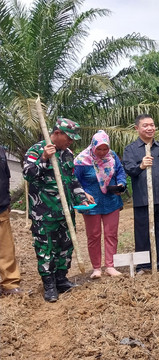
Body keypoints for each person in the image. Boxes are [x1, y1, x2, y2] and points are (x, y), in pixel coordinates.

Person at [23, 118, 93, 302]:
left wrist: (82, 197)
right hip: (44, 212)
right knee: (46, 248)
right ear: (57, 133)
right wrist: (44, 159)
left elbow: (72, 180)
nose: (71, 142)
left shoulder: (67, 153)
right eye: (69, 137)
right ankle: (49, 285)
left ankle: (61, 280)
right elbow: (28, 175)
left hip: (65, 211)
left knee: (66, 246)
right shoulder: (36, 150)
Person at [123, 114, 159, 274]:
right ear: (137, 128)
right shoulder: (130, 149)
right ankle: (143, 265)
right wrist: (141, 166)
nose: (150, 128)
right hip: (143, 199)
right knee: (142, 232)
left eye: (152, 125)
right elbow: (129, 170)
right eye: (145, 125)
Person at [74, 130, 127, 279]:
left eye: (105, 149)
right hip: (91, 204)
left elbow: (120, 172)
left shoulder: (113, 156)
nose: (103, 152)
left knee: (111, 234)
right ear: (93, 146)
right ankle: (96, 268)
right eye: (99, 149)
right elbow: (74, 181)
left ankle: (110, 266)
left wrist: (121, 184)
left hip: (112, 201)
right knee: (94, 236)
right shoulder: (82, 161)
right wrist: (83, 193)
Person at [0, 146, 25, 296]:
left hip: (1, 206)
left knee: (6, 248)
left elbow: (6, 176)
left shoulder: (1, 151)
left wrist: (7, 200)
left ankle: (10, 283)